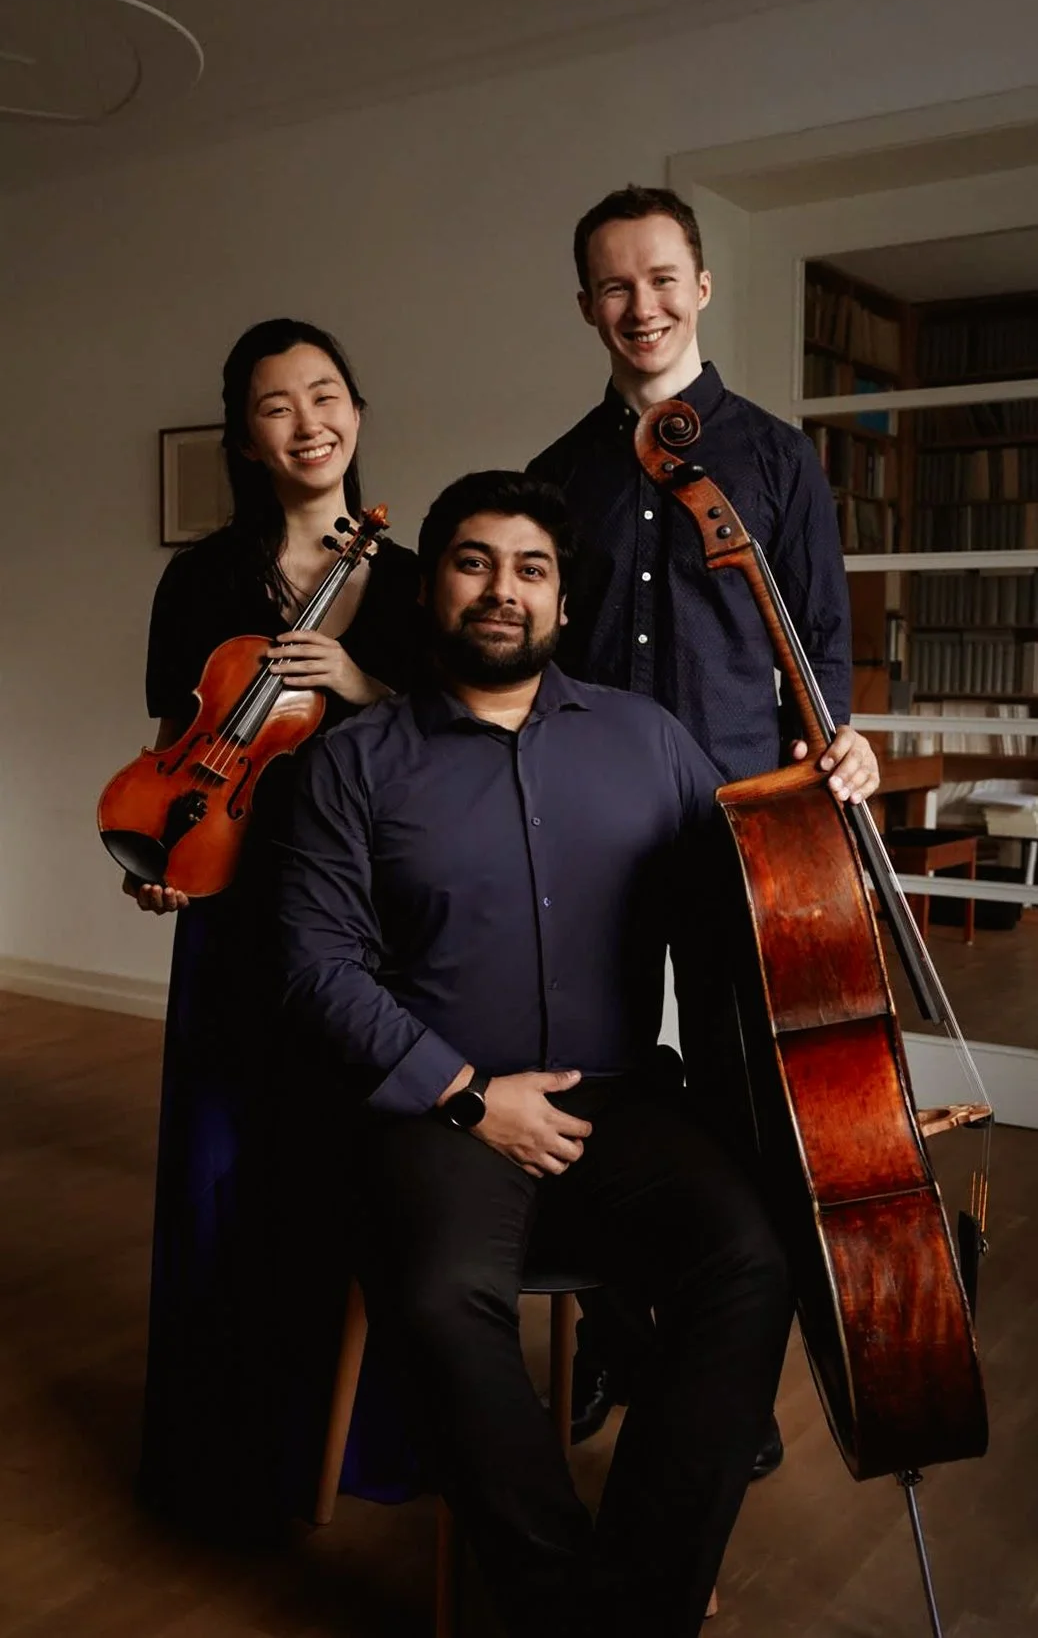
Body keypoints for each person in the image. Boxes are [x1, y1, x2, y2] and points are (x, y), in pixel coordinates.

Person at [279, 469, 793, 1638]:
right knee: (438, 1292)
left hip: (619, 1103)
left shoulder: (648, 740)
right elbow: (316, 967)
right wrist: (466, 1098)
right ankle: (564, 1606)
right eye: (472, 561)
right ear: (430, 587)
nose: (501, 590)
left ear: (563, 601)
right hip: (440, 1110)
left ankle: (643, 1600)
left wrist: (820, 801)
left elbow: (748, 900)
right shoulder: (356, 762)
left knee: (750, 1259)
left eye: (530, 568)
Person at [527, 184, 881, 1451]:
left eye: (663, 277)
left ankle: (729, 1379)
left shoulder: (778, 458)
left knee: (747, 1101)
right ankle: (625, 1335)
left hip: (743, 830)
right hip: (584, 832)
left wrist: (838, 747)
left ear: (703, 286)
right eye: (615, 285)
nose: (643, 304)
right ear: (586, 305)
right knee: (587, 1089)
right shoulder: (557, 476)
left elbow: (822, 655)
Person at [130, 317, 421, 1536]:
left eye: (325, 394)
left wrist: (357, 684)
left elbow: (451, 750)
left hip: (364, 922)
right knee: (219, 1177)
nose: (309, 423)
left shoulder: (408, 584)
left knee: (356, 1182)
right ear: (244, 436)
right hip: (235, 910)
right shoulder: (201, 579)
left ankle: (363, 1449)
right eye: (274, 405)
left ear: (358, 407)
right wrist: (161, 857)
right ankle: (220, 1456)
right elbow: (175, 747)